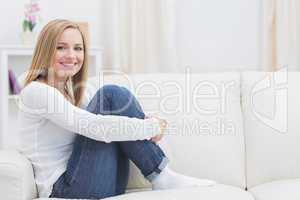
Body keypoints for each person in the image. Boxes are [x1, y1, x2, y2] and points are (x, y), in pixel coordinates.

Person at [18, 19, 215, 199]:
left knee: (115, 97)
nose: (72, 55)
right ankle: (161, 176)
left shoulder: (76, 92)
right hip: (65, 191)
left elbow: (113, 119)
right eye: (61, 47)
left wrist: (146, 119)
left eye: (78, 48)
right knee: (110, 94)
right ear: (46, 50)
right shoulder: (36, 92)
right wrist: (150, 127)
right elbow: (93, 126)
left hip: (101, 180)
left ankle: (162, 176)